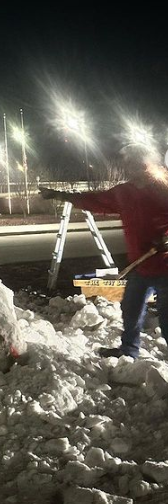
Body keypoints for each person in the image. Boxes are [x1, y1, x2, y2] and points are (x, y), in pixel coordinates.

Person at [39, 144, 168, 359]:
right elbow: (95, 200)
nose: (129, 168)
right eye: (127, 164)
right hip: (140, 266)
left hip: (165, 266)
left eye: (133, 163)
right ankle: (129, 351)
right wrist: (61, 195)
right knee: (131, 310)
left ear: (146, 163)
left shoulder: (162, 188)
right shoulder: (125, 192)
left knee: (167, 319)